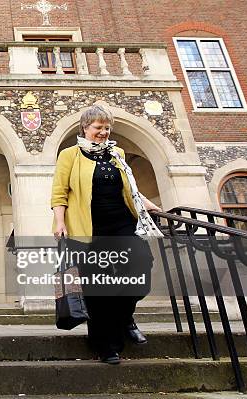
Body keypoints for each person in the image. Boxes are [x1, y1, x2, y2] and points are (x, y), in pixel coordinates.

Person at [51, 104, 163, 364]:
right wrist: (59, 222)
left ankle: (125, 319)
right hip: (88, 229)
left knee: (141, 270)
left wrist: (151, 206)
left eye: (107, 128)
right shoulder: (69, 155)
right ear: (85, 128)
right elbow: (59, 192)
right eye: (98, 127)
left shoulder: (117, 153)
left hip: (122, 225)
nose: (103, 132)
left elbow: (130, 187)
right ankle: (106, 346)